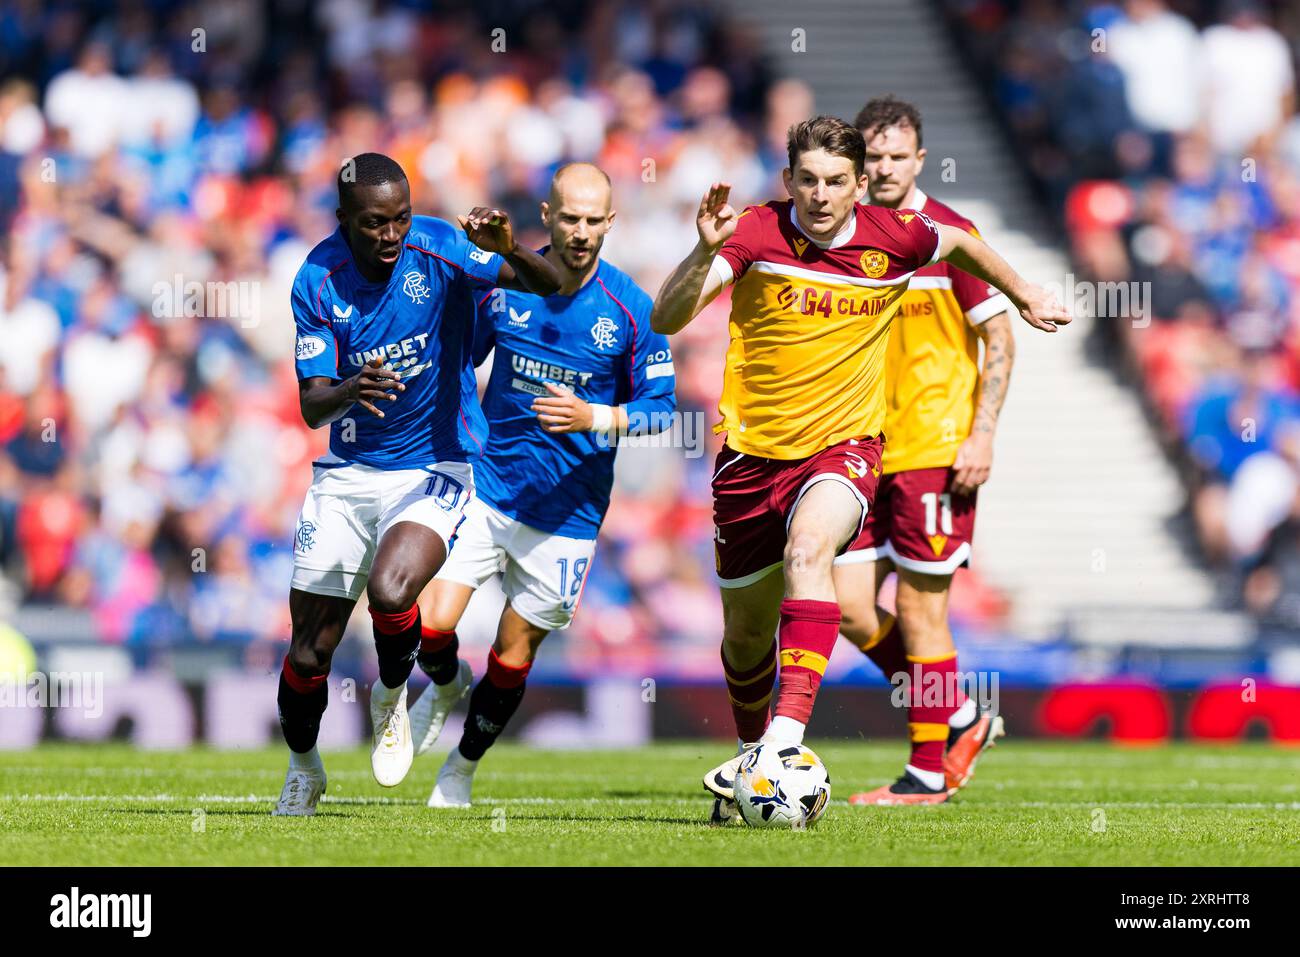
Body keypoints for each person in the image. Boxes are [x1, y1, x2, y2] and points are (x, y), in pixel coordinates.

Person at [649, 115, 1068, 824]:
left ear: (865, 182)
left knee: (834, 564)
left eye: (837, 179)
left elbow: (964, 244)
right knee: (754, 633)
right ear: (789, 181)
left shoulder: (903, 233)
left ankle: (869, 756)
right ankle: (764, 757)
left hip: (872, 448)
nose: (821, 193)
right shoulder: (754, 231)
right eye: (808, 179)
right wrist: (701, 252)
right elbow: (666, 318)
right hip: (751, 458)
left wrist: (1027, 294)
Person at [274, 152, 560, 816]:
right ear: (345, 219)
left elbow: (547, 285)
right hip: (347, 474)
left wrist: (510, 246)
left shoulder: (440, 248)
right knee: (308, 654)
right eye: (375, 222)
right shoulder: (317, 279)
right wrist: (352, 387)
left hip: (436, 465)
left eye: (400, 217)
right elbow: (313, 405)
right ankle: (303, 766)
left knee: (392, 587)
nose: (391, 233)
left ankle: (389, 696)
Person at [410, 162, 677, 807]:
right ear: (547, 215)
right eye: (570, 218)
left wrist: (597, 417)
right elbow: (462, 354)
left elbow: (665, 409)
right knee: (430, 619)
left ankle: (462, 768)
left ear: (610, 222)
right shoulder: (507, 285)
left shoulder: (633, 309)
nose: (581, 232)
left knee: (514, 650)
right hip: (489, 486)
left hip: (568, 512)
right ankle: (445, 683)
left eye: (593, 221)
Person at [840, 96, 1015, 806]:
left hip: (935, 449)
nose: (882, 169)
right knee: (848, 606)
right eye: (871, 157)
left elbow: (1001, 338)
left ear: (918, 159)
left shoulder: (950, 236)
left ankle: (926, 772)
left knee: (919, 608)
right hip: (863, 451)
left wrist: (982, 432)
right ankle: (964, 713)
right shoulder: (846, 239)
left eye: (894, 157)